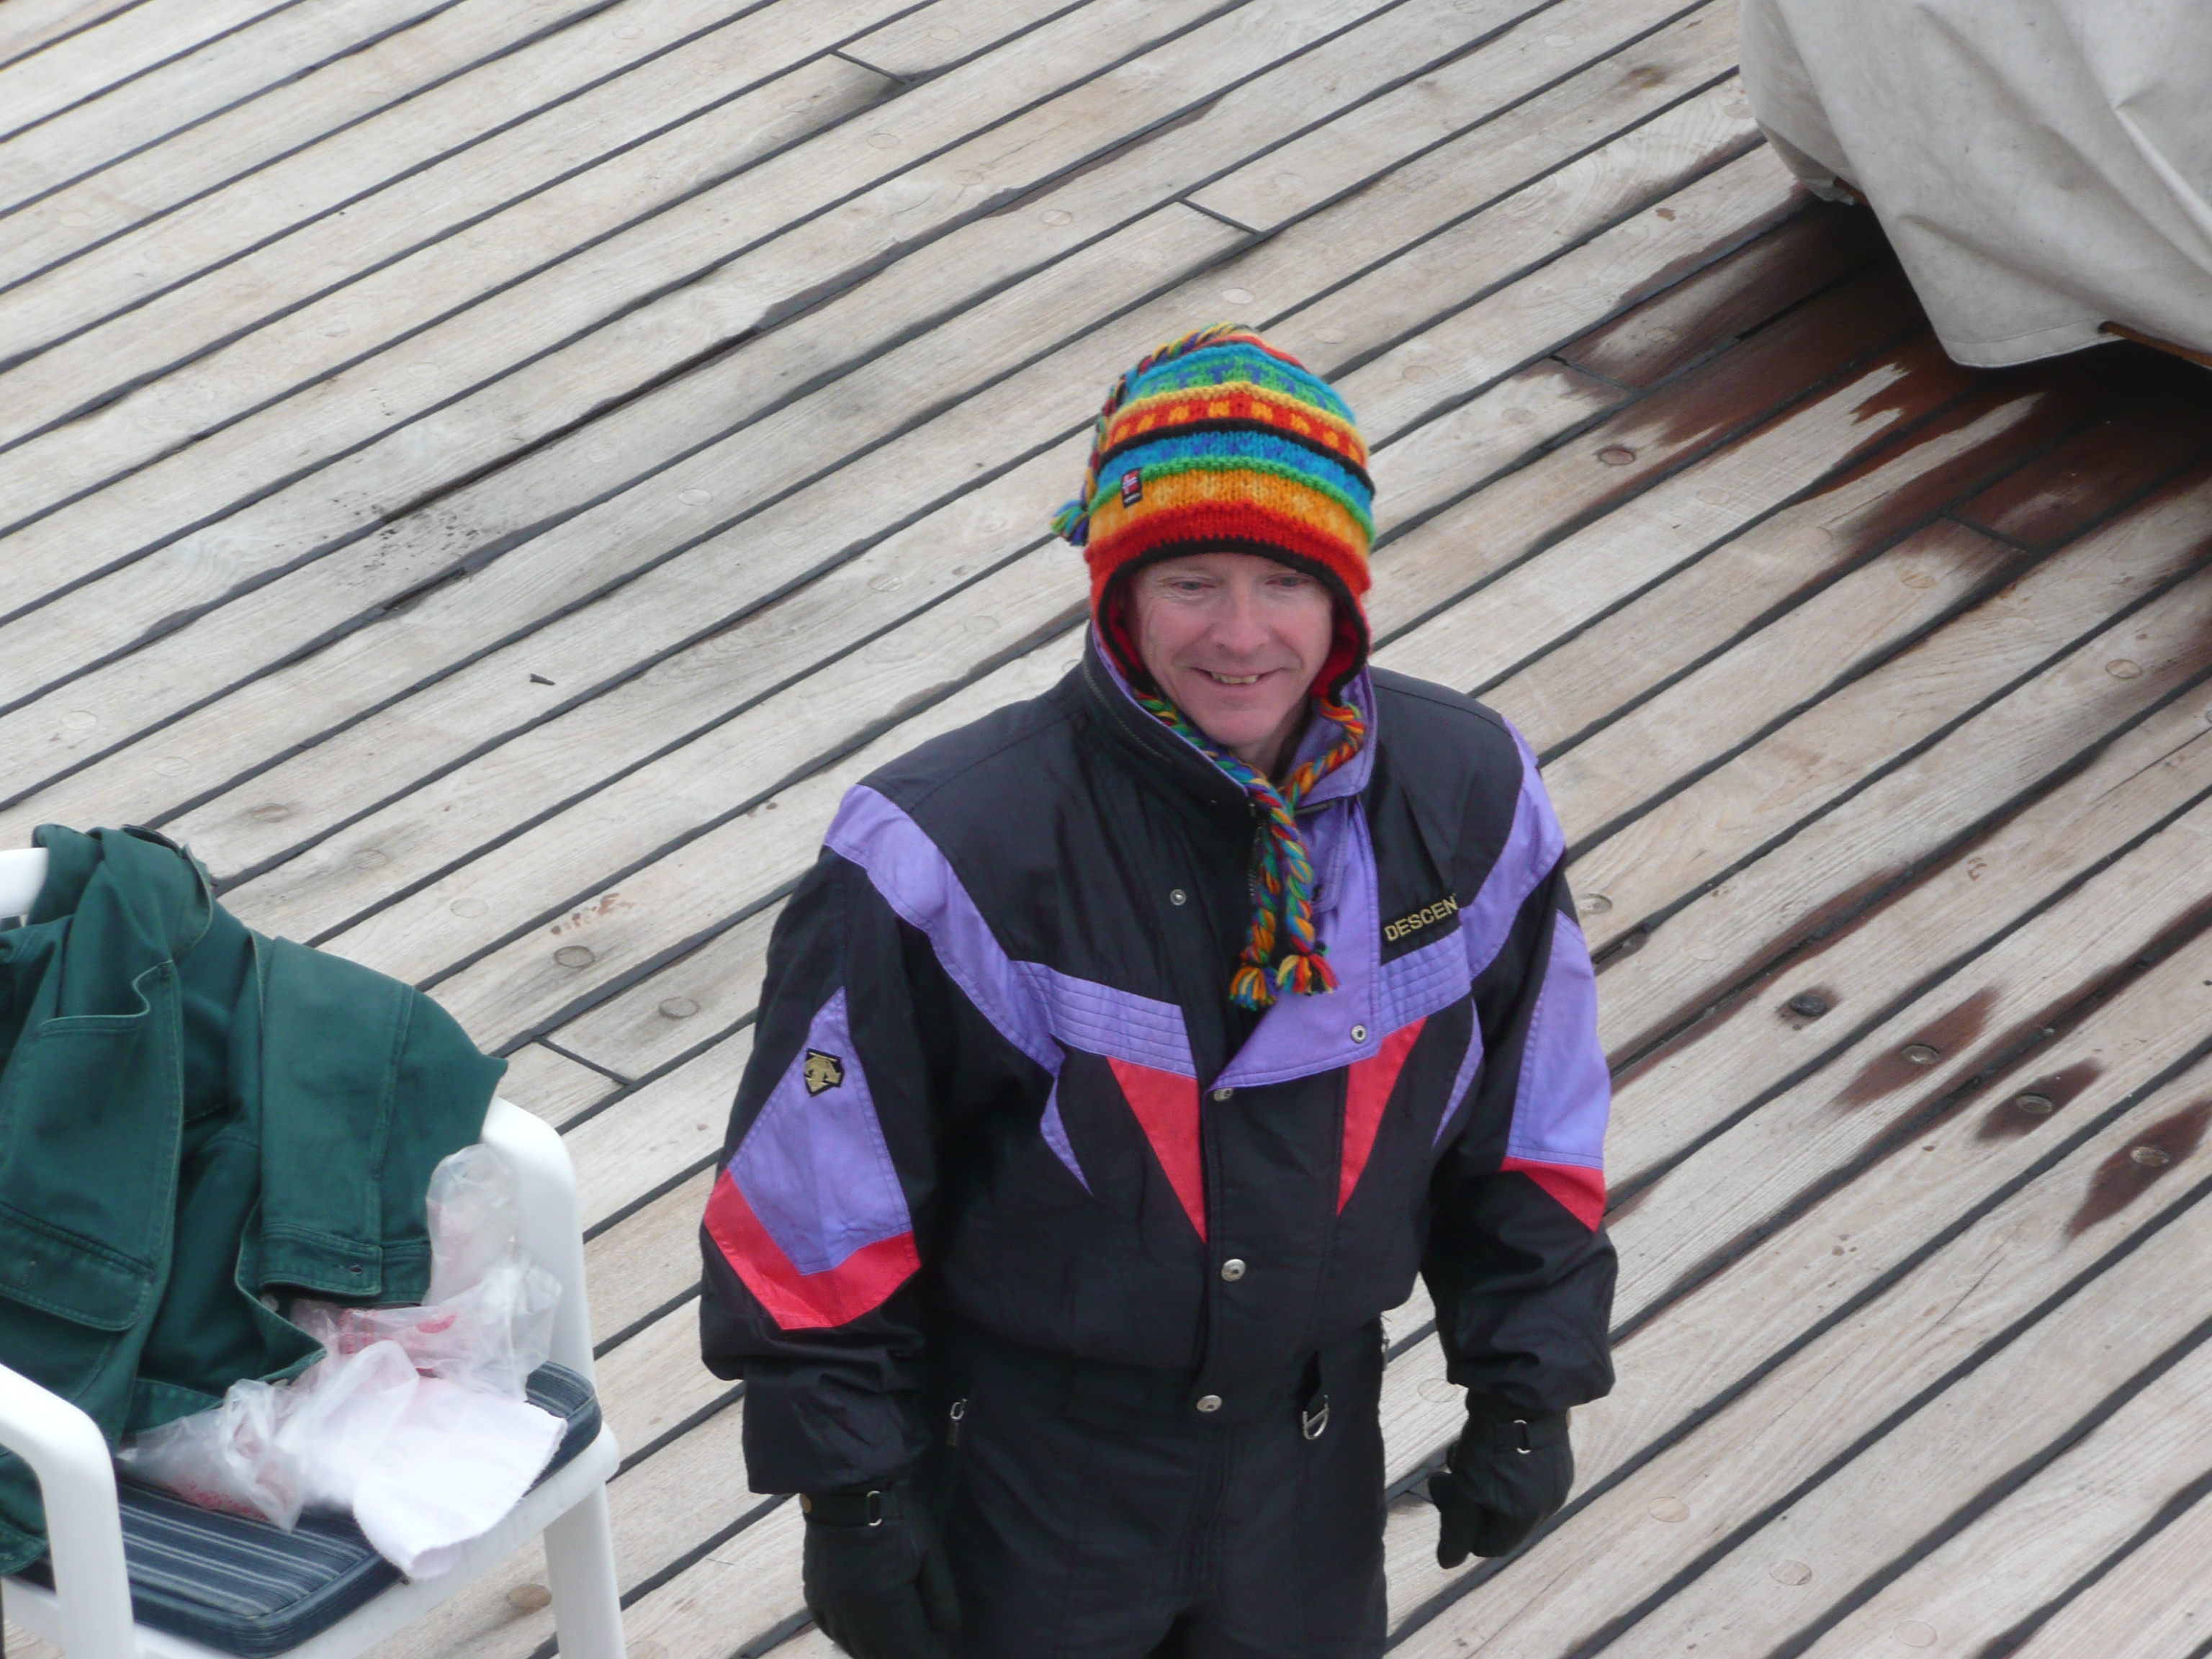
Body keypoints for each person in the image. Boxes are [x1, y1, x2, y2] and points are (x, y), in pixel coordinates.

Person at [698, 325, 1616, 1658]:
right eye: (1189, 580)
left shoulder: (1470, 800)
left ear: (1345, 600)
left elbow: (1533, 1129)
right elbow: (813, 1206)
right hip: (1030, 1474)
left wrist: (1529, 1394)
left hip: (1306, 1457)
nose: (1241, 637)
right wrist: (856, 1492)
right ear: (1116, 594)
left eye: (1285, 584)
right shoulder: (938, 851)